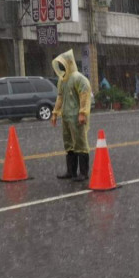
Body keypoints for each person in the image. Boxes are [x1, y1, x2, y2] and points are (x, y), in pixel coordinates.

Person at [51, 50, 92, 182]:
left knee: (80, 143)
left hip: (76, 117)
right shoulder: (63, 80)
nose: (61, 67)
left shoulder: (79, 78)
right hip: (66, 117)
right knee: (69, 144)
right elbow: (60, 97)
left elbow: (84, 96)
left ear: (69, 63)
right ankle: (71, 171)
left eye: (63, 63)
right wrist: (55, 113)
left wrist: (82, 113)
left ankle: (84, 172)